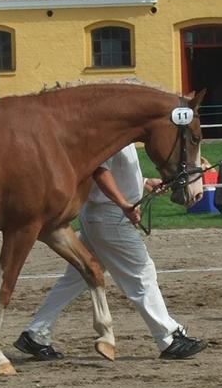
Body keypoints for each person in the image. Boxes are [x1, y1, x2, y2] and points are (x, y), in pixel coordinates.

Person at [12, 143, 207, 362]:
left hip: (101, 215)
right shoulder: (112, 130)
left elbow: (113, 170)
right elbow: (99, 172)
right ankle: (169, 338)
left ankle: (36, 333)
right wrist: (124, 203)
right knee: (141, 273)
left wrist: (143, 183)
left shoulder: (125, 131)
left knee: (76, 278)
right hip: (109, 216)